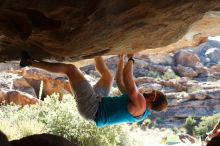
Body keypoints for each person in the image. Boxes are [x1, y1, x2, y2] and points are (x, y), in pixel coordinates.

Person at [20, 52, 168, 128]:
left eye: (151, 91)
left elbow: (128, 81)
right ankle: (95, 52)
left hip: (92, 108)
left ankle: (29, 62)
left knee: (71, 69)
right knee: (108, 78)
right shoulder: (141, 109)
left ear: (152, 97)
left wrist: (131, 59)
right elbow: (120, 82)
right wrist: (121, 60)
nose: (149, 90)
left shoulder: (141, 104)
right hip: (99, 102)